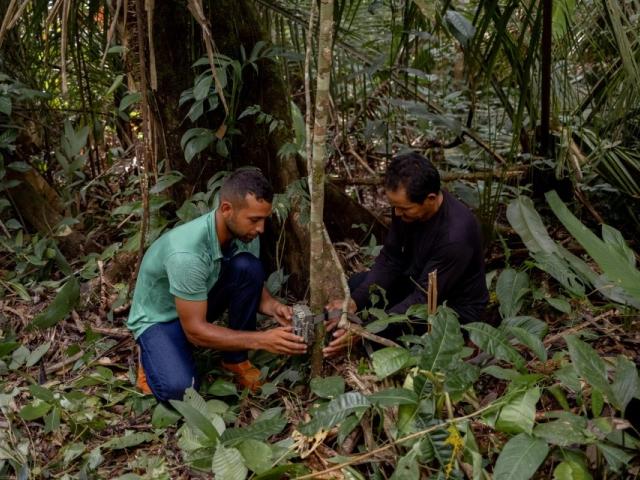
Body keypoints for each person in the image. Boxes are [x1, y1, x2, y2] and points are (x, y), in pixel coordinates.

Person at [127, 169, 307, 402]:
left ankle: (235, 360)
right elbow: (195, 332)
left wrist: (275, 308)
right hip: (160, 319)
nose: (261, 229)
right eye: (254, 220)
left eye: (263, 219)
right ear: (226, 209)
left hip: (194, 305)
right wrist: (261, 339)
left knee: (248, 266)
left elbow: (249, 279)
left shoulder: (243, 233)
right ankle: (150, 356)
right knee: (182, 391)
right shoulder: (187, 256)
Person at [324, 152, 489, 357]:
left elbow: (423, 300)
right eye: (395, 207)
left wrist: (366, 331)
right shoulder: (405, 210)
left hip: (448, 308)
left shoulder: (455, 236)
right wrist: (355, 301)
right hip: (415, 282)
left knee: (380, 340)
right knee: (357, 286)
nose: (398, 214)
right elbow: (391, 258)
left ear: (430, 198)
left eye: (404, 209)